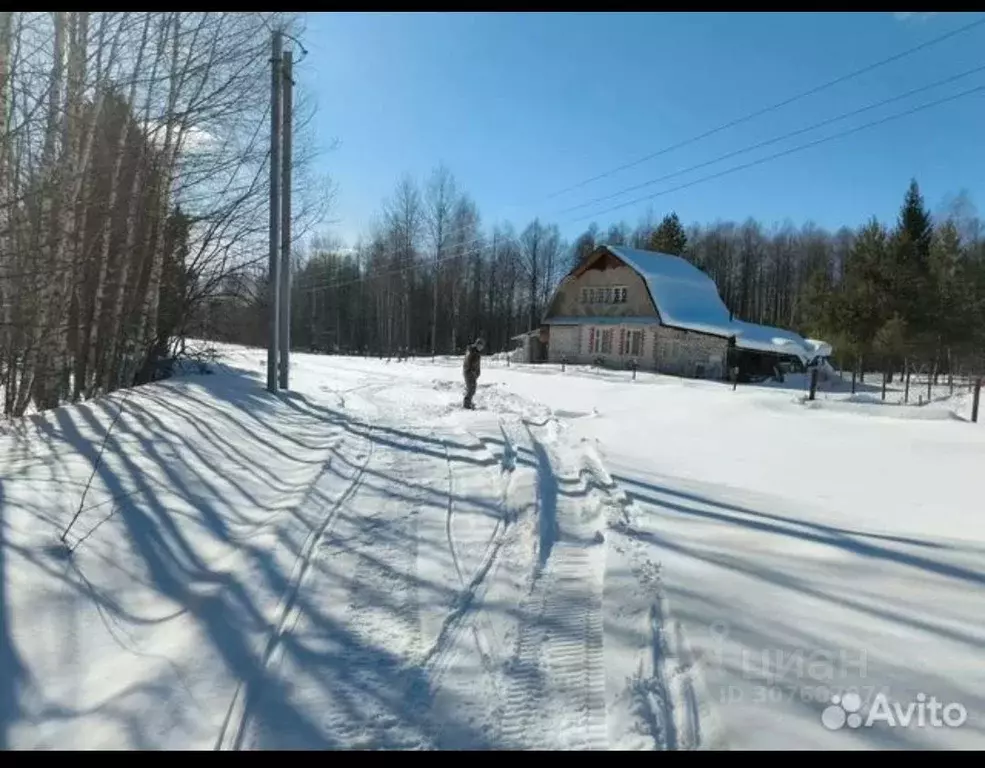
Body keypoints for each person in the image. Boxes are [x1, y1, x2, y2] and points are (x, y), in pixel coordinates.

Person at [463, 337, 484, 409]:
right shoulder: (472, 351)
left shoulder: (476, 352)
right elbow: (468, 362)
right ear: (477, 344)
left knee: (472, 388)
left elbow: (476, 364)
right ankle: (466, 404)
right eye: (480, 345)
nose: (481, 347)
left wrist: (477, 372)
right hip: (469, 372)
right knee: (472, 388)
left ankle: (468, 402)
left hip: (472, 373)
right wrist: (472, 371)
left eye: (482, 346)